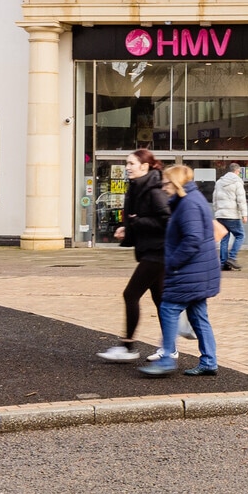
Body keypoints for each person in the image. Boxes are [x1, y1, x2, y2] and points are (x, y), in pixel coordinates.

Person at [141, 163, 226, 377]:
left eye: (167, 183)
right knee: (198, 315)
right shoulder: (190, 200)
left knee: (168, 309)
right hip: (201, 271)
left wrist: (173, 262)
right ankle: (209, 361)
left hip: (190, 272)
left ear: (177, 182)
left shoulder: (187, 204)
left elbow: (193, 238)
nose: (164, 187)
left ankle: (167, 359)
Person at [99, 149, 168, 363]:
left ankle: (127, 346)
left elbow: (167, 220)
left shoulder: (153, 190)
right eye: (127, 163)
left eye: (132, 163)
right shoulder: (138, 188)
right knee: (162, 301)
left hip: (158, 253)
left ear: (145, 166)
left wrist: (137, 222)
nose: (127, 167)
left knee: (130, 294)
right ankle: (169, 346)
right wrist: (127, 230)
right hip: (151, 251)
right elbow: (140, 219)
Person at [211, 162, 248, 272]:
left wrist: (217, 211)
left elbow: (214, 198)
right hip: (232, 215)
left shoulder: (219, 182)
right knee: (240, 235)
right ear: (237, 171)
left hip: (221, 215)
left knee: (224, 238)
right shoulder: (237, 182)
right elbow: (241, 200)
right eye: (239, 172)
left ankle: (223, 263)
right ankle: (232, 258)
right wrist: (244, 214)